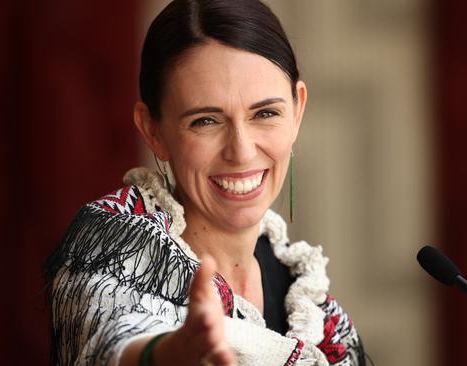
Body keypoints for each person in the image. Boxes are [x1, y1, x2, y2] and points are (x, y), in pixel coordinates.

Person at [44, 0, 366, 365]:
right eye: (205, 121)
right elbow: (113, 339)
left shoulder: (310, 303)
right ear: (153, 130)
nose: (241, 152)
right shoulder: (113, 247)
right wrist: (165, 354)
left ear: (297, 111)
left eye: (265, 113)